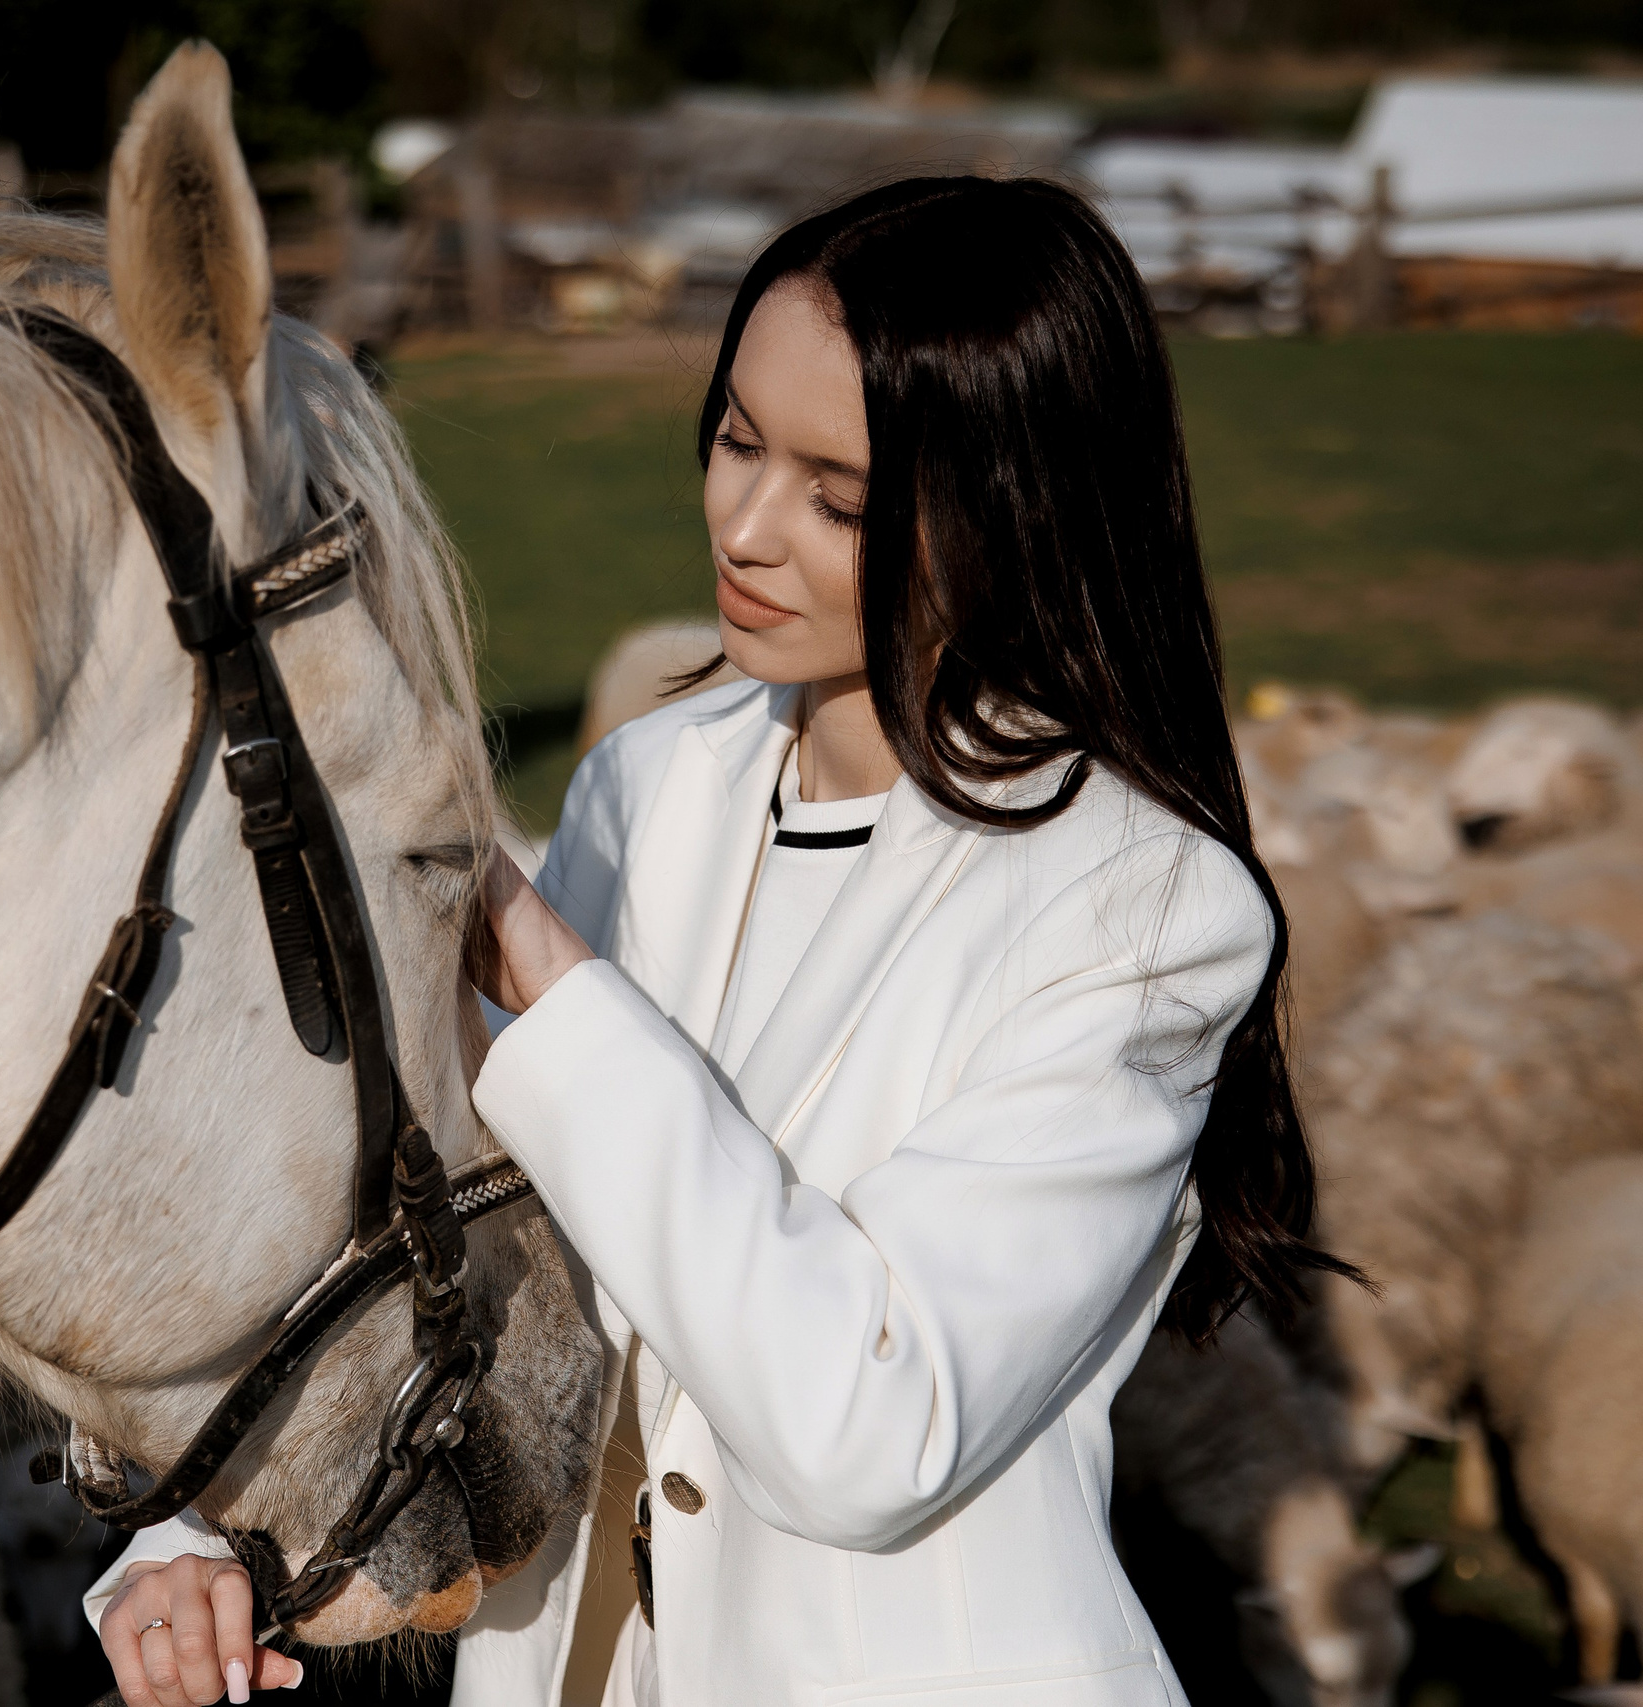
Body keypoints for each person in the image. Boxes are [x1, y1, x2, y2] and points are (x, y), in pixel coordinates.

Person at [86, 175, 1353, 1707]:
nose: (744, 526)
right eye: (739, 438)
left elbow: (868, 1433)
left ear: (1017, 506)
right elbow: (438, 1224)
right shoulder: (648, 779)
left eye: (840, 497)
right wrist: (193, 1530)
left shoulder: (1145, 910)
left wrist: (554, 982)